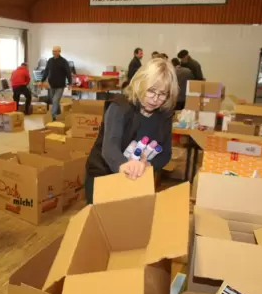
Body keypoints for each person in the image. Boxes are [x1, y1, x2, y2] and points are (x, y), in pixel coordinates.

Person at [85, 58, 178, 204]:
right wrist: (125, 166)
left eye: (162, 94)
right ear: (140, 84)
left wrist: (149, 165)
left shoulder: (164, 115)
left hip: (137, 178)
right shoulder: (120, 107)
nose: (155, 99)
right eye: (151, 91)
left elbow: (165, 153)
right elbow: (110, 148)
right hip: (104, 174)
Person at [40, 46, 72, 121]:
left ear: (59, 52)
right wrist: (42, 80)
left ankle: (52, 117)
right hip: (51, 85)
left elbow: (68, 73)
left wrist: (70, 83)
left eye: (56, 51)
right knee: (53, 100)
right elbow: (46, 71)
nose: (54, 52)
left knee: (55, 100)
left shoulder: (64, 61)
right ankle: (59, 114)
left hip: (60, 85)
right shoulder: (50, 61)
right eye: (53, 51)